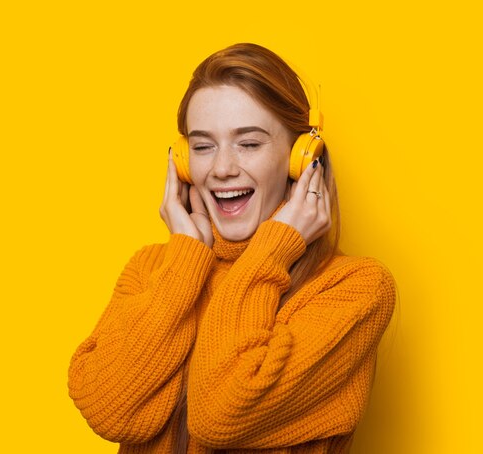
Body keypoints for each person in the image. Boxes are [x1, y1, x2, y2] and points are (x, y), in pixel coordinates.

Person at [68, 43, 396, 454]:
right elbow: (109, 409)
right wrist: (186, 257)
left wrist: (271, 252)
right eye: (204, 146)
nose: (222, 168)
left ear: (301, 158)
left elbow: (221, 414)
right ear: (185, 162)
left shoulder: (353, 288)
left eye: (249, 143)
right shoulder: (152, 269)